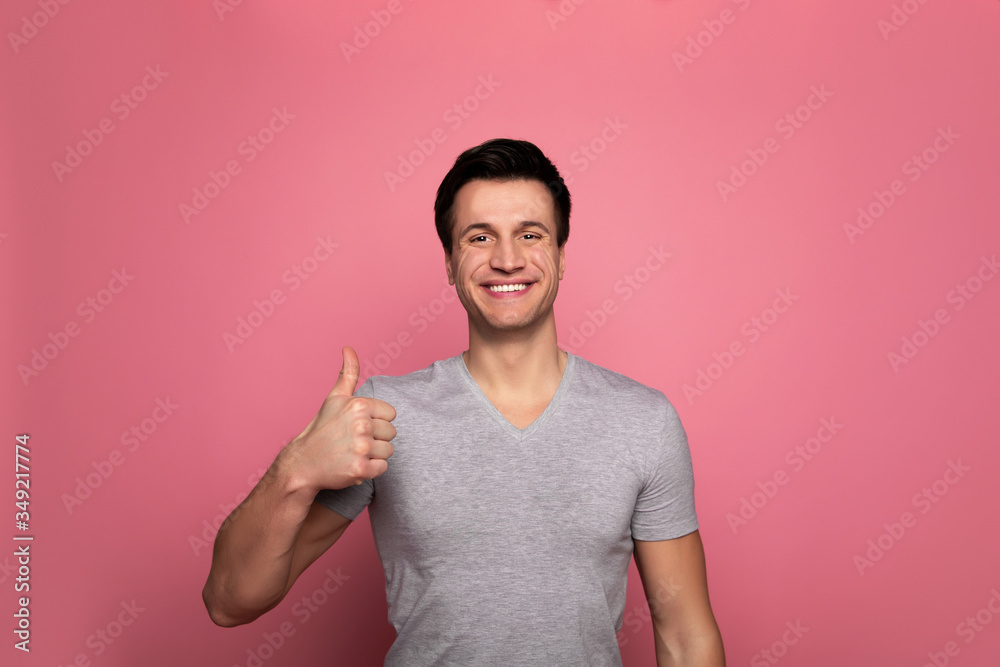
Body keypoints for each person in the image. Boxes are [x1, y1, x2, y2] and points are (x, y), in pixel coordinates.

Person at [202, 138, 726, 666]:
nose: (506, 259)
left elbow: (685, 634)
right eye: (480, 237)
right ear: (451, 263)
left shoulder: (643, 422)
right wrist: (295, 470)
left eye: (530, 234)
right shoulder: (381, 417)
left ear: (561, 258)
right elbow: (230, 602)